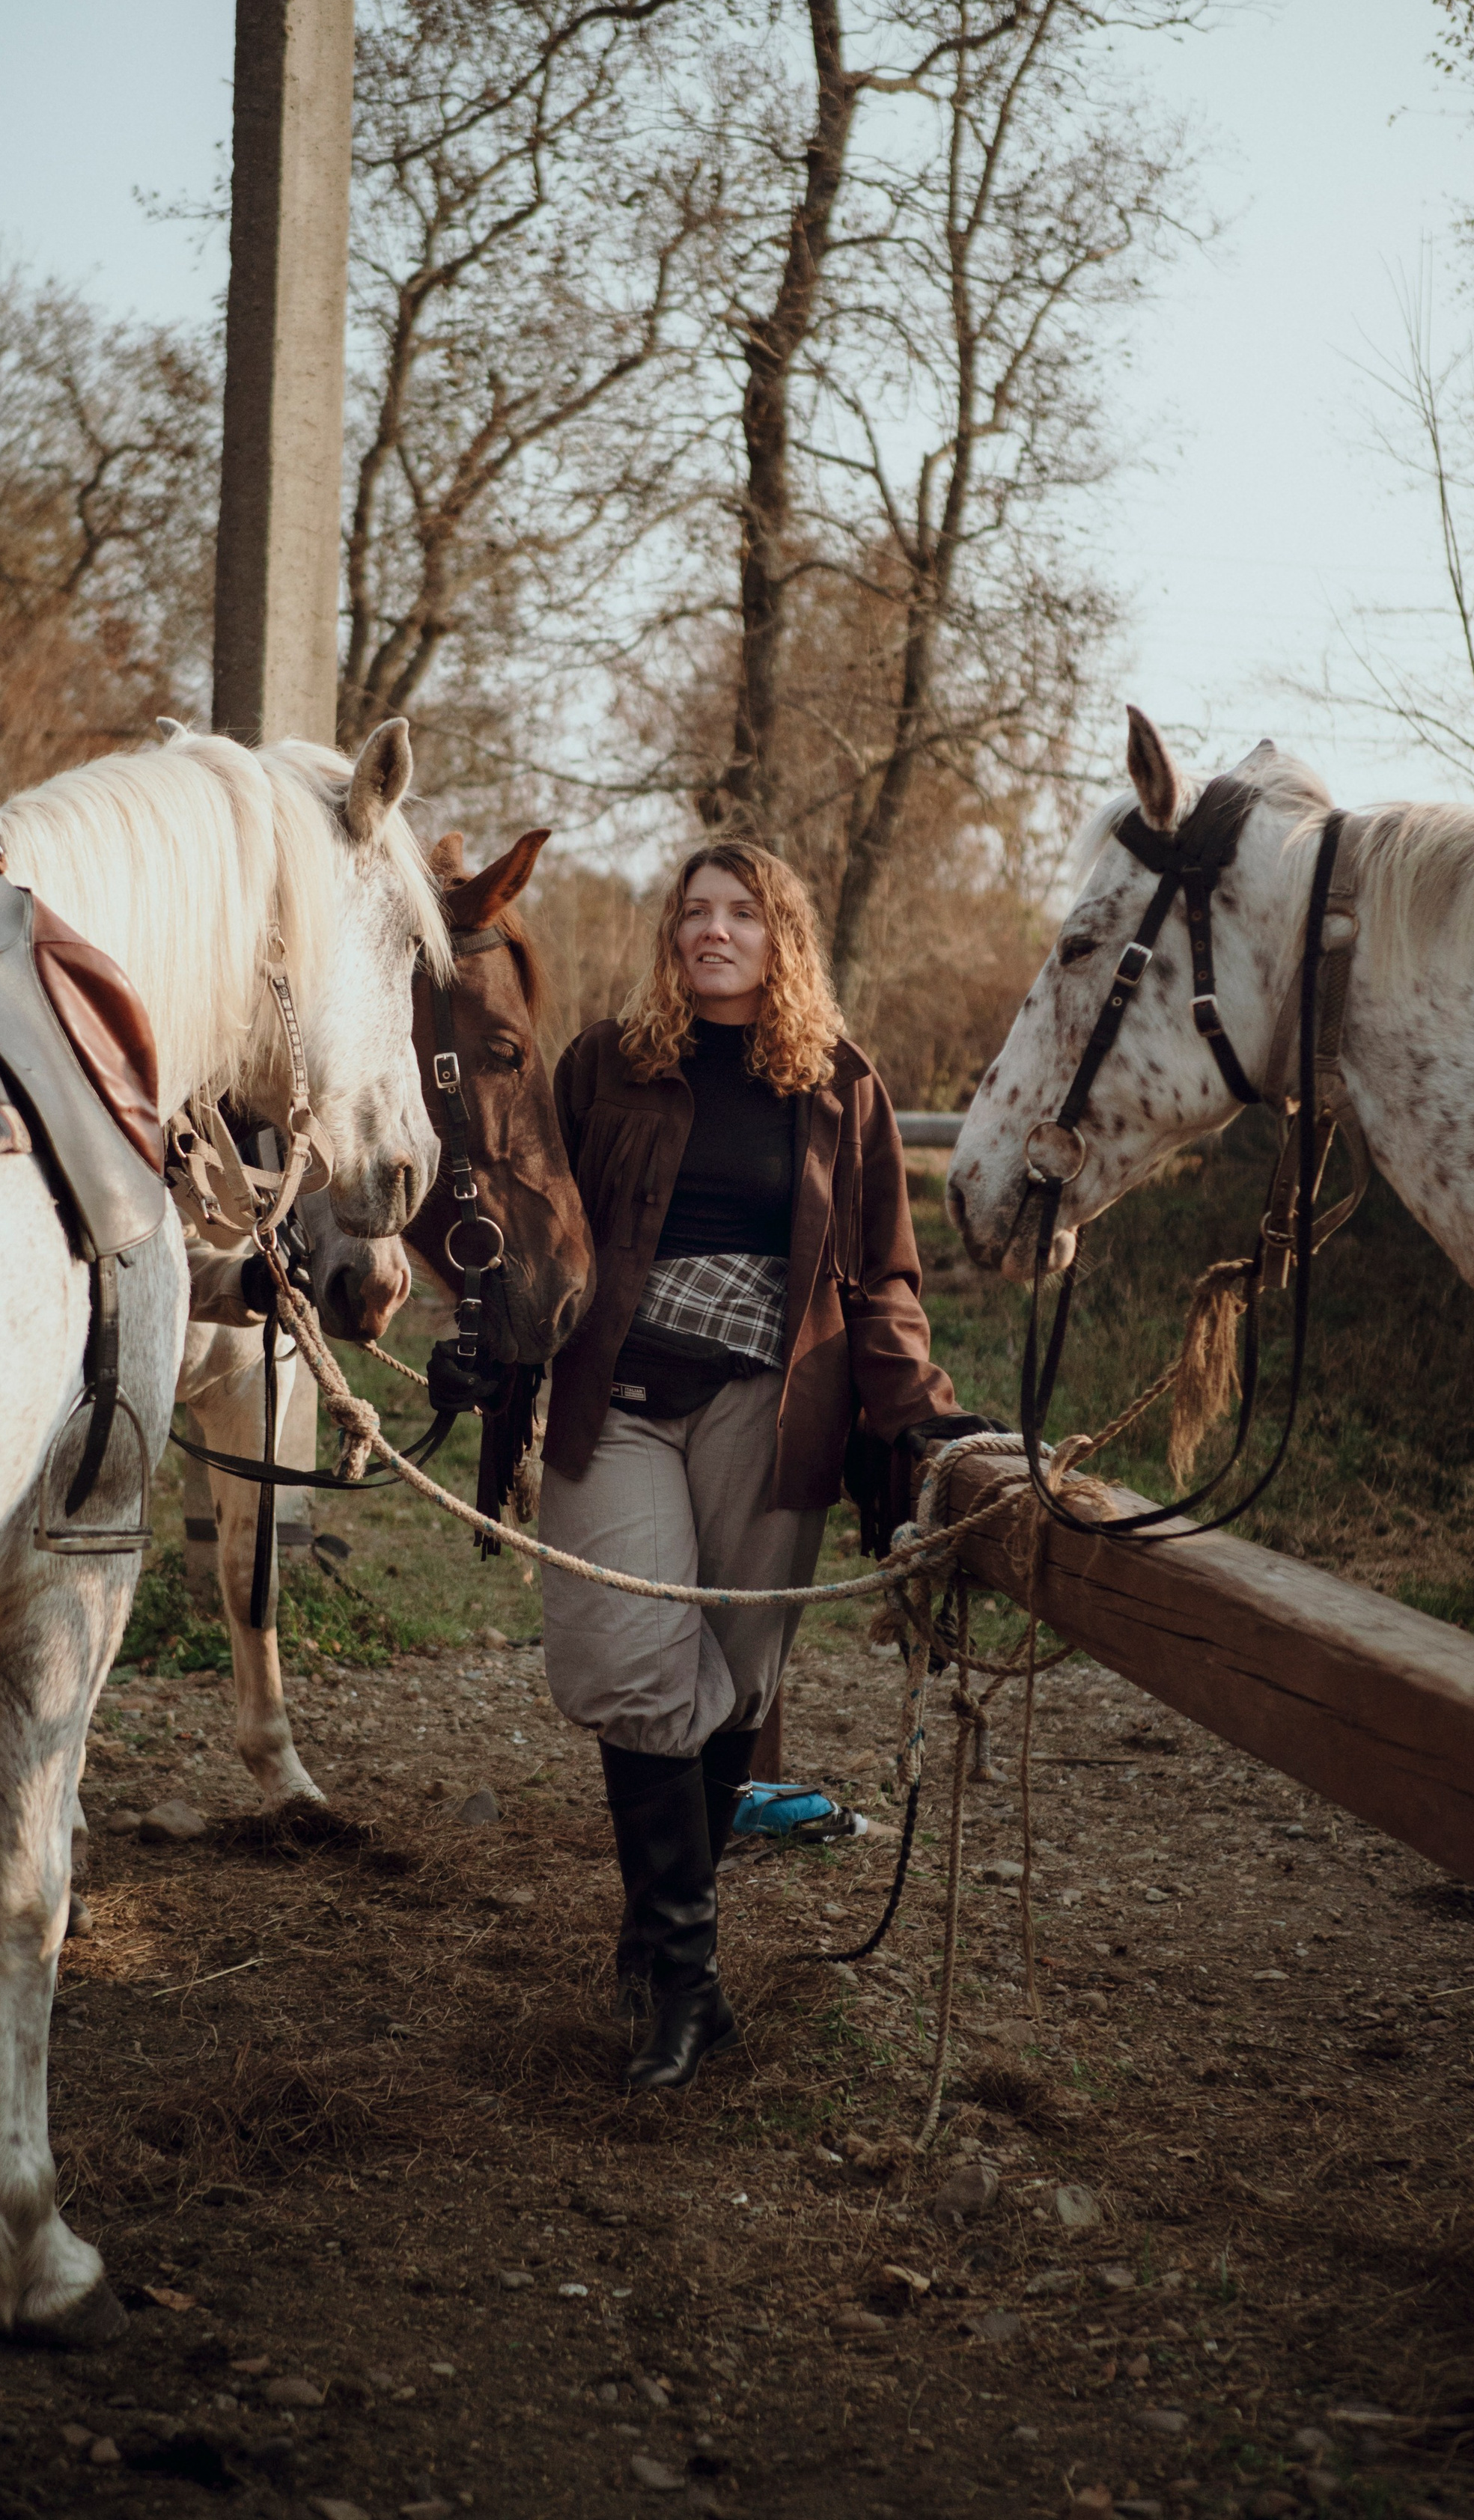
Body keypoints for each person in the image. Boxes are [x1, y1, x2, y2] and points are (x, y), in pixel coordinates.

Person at [540, 842, 985, 2093]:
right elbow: (546, 1231)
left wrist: (923, 1420)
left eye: (741, 912)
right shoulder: (607, 1066)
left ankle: (656, 1940)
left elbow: (881, 1279)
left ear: (782, 935)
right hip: (618, 1397)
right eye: (694, 912)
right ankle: (688, 1983)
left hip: (771, 1406)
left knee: (733, 1674)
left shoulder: (840, 1086)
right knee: (637, 1662)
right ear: (670, 935)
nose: (713, 931)